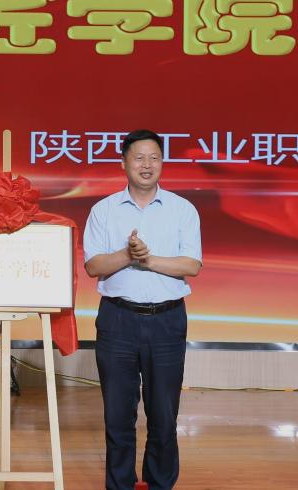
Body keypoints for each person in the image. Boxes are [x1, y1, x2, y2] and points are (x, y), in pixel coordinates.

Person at [83, 129, 203, 490]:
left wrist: (147, 260)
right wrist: (127, 254)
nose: (147, 165)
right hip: (117, 320)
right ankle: (119, 484)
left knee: (164, 416)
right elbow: (93, 266)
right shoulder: (103, 210)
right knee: (118, 416)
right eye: (139, 157)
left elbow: (191, 264)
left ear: (162, 162)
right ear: (124, 163)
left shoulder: (183, 209)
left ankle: (160, 483)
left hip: (167, 320)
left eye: (154, 157)